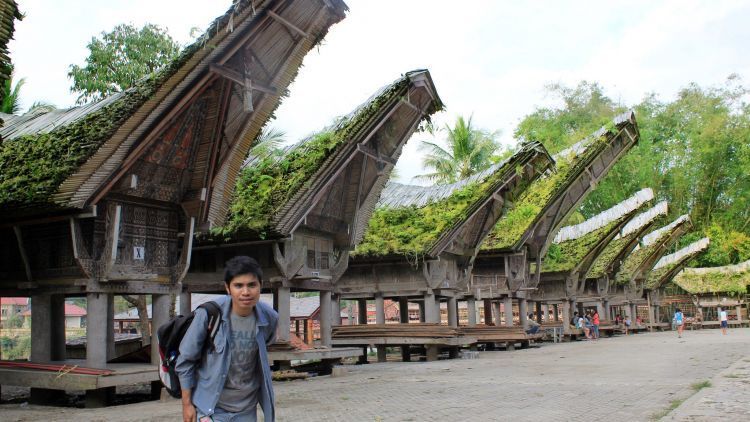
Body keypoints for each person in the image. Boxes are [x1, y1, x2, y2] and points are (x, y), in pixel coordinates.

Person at [176, 256, 279, 422]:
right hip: (211, 407)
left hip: (246, 409)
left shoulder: (269, 318)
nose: (246, 292)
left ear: (261, 286)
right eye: (238, 285)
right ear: (228, 288)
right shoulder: (209, 314)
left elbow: (265, 347)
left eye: (252, 285)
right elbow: (185, 361)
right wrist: (186, 405)